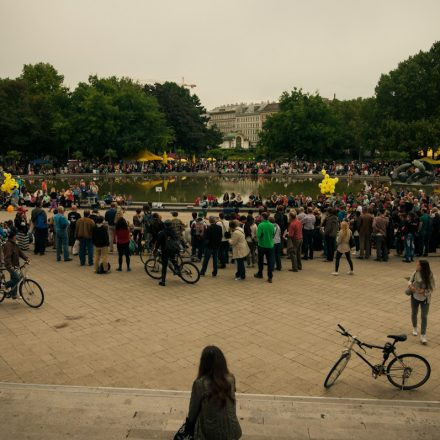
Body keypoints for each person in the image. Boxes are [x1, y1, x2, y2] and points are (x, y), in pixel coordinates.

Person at [185, 346, 242, 440]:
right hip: (233, 431)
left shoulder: (200, 384)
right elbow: (232, 405)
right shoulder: (231, 379)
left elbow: (193, 411)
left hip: (209, 434)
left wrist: (189, 426)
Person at [407, 260, 435, 344]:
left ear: (423, 267)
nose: (416, 266)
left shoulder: (429, 275)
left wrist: (424, 291)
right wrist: (411, 286)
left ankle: (423, 335)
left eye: (418, 265)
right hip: (415, 297)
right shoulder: (415, 272)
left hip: (425, 299)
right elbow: (410, 280)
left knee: (424, 316)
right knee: (414, 313)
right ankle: (415, 327)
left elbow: (432, 287)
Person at [3, 230, 29, 299]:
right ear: (12, 237)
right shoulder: (8, 245)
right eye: (15, 236)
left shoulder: (15, 243)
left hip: (16, 265)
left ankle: (13, 294)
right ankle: (5, 285)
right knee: (17, 278)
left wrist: (26, 258)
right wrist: (10, 266)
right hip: (10, 266)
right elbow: (7, 257)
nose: (16, 237)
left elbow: (20, 252)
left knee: (17, 277)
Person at [155, 219, 180, 286]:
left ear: (164, 225)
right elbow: (177, 238)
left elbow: (158, 243)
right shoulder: (173, 231)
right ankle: (178, 271)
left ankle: (163, 281)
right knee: (173, 260)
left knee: (164, 266)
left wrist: (155, 249)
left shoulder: (162, 232)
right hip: (173, 249)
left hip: (165, 250)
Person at [254, 212, 275, 283]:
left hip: (262, 245)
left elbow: (258, 236)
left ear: (263, 217)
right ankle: (270, 277)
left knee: (260, 261)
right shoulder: (272, 225)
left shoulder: (261, 225)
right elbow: (273, 234)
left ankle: (260, 273)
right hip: (270, 245)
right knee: (270, 261)